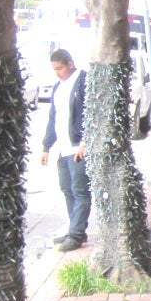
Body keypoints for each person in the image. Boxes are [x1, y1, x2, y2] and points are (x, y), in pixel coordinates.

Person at [40, 49, 90, 253]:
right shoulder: (58, 88)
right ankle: (74, 228)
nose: (57, 73)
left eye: (60, 68)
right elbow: (54, 117)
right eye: (54, 69)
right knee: (67, 188)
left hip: (77, 146)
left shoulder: (83, 82)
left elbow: (89, 113)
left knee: (80, 190)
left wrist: (85, 142)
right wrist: (46, 146)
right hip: (62, 147)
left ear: (70, 64)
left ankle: (76, 235)